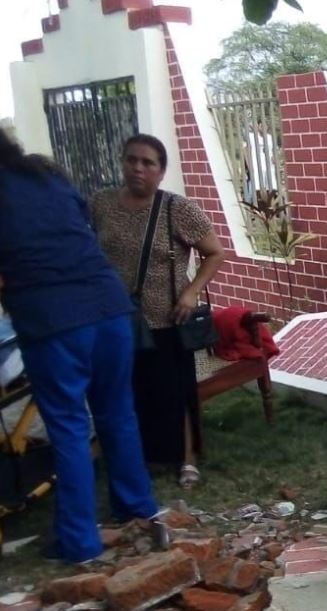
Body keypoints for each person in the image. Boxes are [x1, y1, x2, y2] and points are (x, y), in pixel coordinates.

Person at [0, 130, 159, 563]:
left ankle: (79, 543)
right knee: (116, 413)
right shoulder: (47, 177)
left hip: (54, 322)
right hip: (109, 310)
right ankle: (138, 508)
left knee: (69, 427)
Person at [90, 134, 226, 488]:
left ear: (161, 171)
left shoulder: (176, 209)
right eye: (131, 159)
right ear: (122, 162)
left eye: (148, 162)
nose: (138, 167)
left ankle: (187, 458)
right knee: (130, 389)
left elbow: (215, 252)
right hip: (115, 318)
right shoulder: (101, 204)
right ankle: (142, 456)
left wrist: (192, 292)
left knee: (174, 390)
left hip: (165, 316)